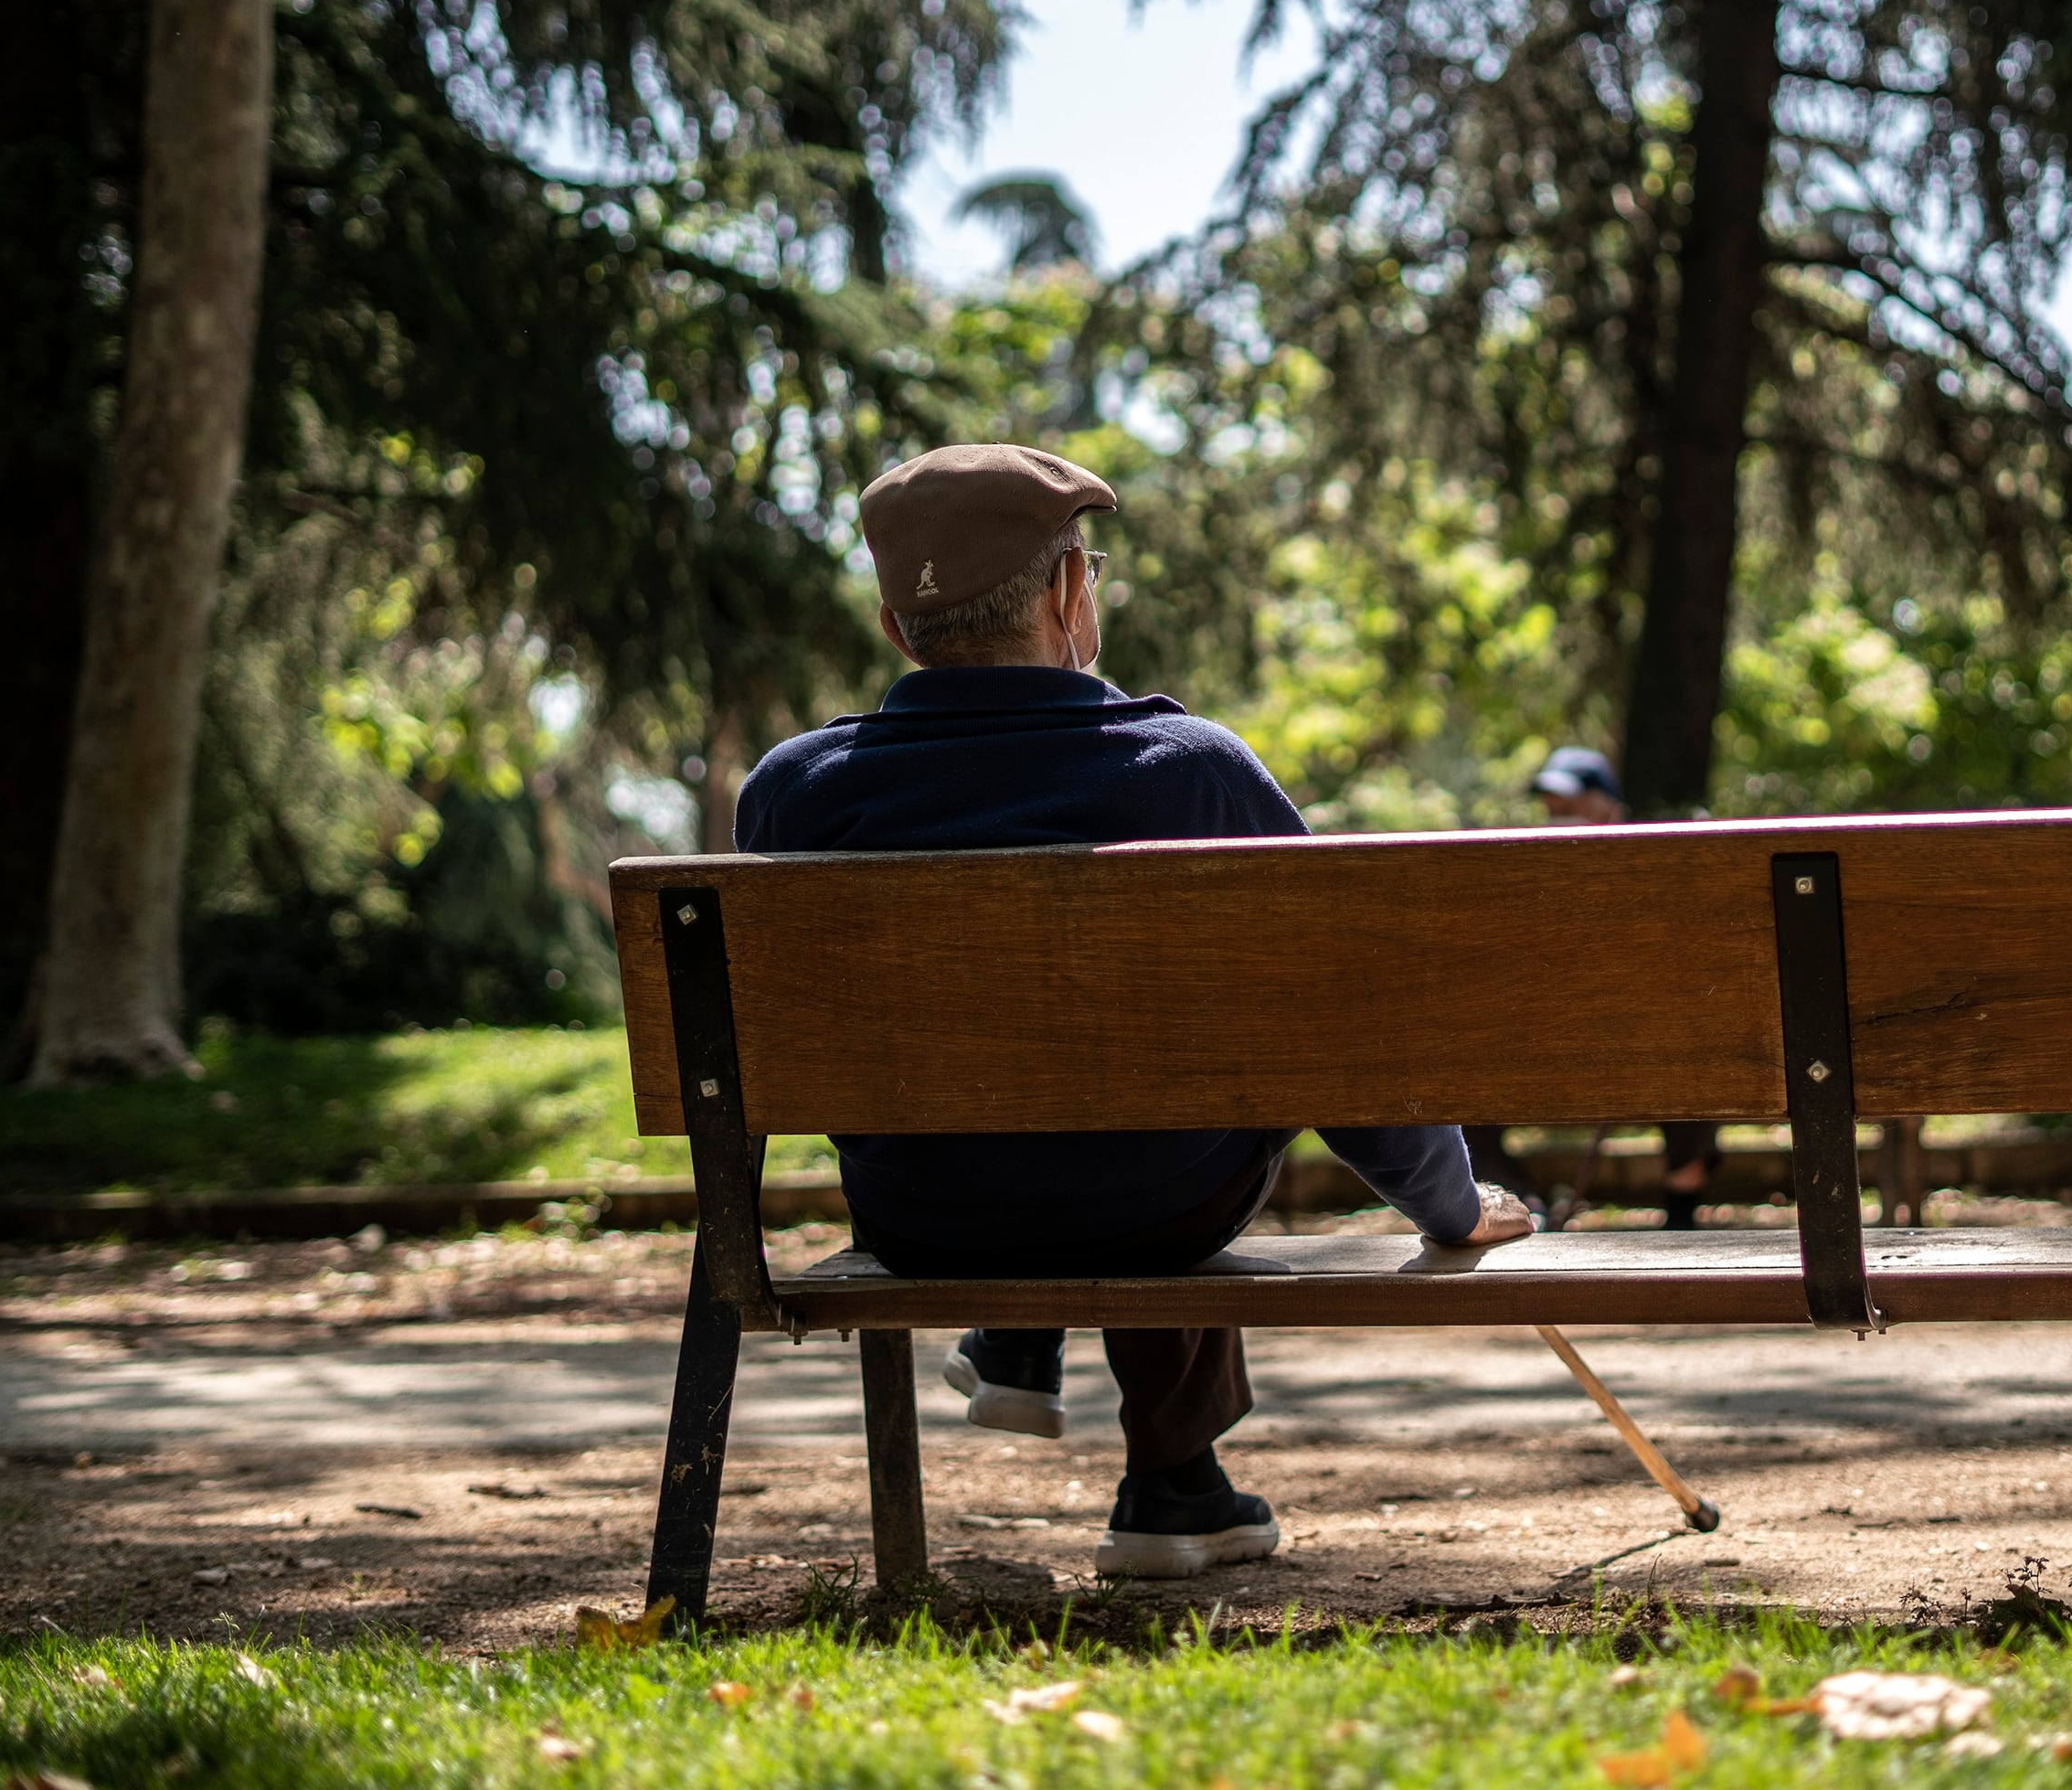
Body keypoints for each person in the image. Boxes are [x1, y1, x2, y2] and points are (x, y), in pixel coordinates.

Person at [733, 443, 1535, 1580]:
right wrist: (1454, 1210)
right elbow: (1341, 1048)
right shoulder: (1194, 772)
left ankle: (1028, 1348)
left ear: (896, 629)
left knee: (1076, 1092)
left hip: (922, 1212)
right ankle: (1173, 1486)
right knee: (1192, 1084)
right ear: (1068, 594)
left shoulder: (792, 791)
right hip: (1160, 1206)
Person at [1457, 746, 1727, 1230]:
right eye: (1553, 808)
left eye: (1572, 804)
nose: (1558, 817)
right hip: (1551, 1048)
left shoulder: (1647, 873)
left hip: (1631, 1049)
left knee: (1692, 1048)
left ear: (1611, 807)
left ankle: (1676, 1211)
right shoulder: (1538, 876)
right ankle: (1526, 1207)